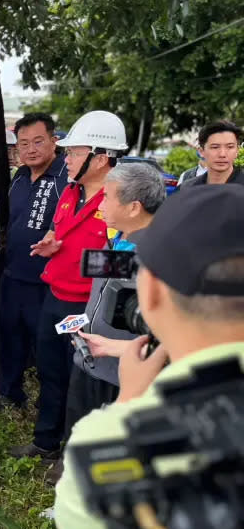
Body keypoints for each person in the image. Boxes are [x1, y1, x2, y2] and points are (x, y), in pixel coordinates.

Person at [54, 184, 244, 529]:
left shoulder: (108, 443)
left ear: (151, 293)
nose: (101, 206)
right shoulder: (118, 247)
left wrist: (126, 406)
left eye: (108, 198)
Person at [9, 110, 127, 461]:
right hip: (55, 299)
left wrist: (81, 261)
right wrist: (53, 242)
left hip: (89, 311)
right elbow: (61, 230)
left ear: (101, 158)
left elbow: (128, 261)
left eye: (75, 152)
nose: (68, 157)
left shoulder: (120, 203)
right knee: (50, 372)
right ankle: (46, 441)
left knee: (84, 382)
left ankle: (75, 455)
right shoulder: (70, 192)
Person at [45, 162, 166, 486]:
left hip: (123, 374)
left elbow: (172, 338)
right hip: (90, 363)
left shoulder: (162, 258)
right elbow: (101, 297)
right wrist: (83, 324)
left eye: (108, 198)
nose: (99, 205)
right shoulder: (116, 240)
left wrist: (115, 347)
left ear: (133, 206)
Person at [0, 113, 68, 409]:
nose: (30, 149)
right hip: (13, 272)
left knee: (45, 345)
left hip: (46, 281)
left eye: (38, 142)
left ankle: (49, 403)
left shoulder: (66, 178)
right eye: (23, 143)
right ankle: (10, 392)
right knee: (10, 336)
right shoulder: (18, 177)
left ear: (54, 141)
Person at [178, 120, 243, 189]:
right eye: (215, 147)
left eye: (230, 147)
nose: (222, 154)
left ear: (237, 150)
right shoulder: (186, 189)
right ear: (201, 151)